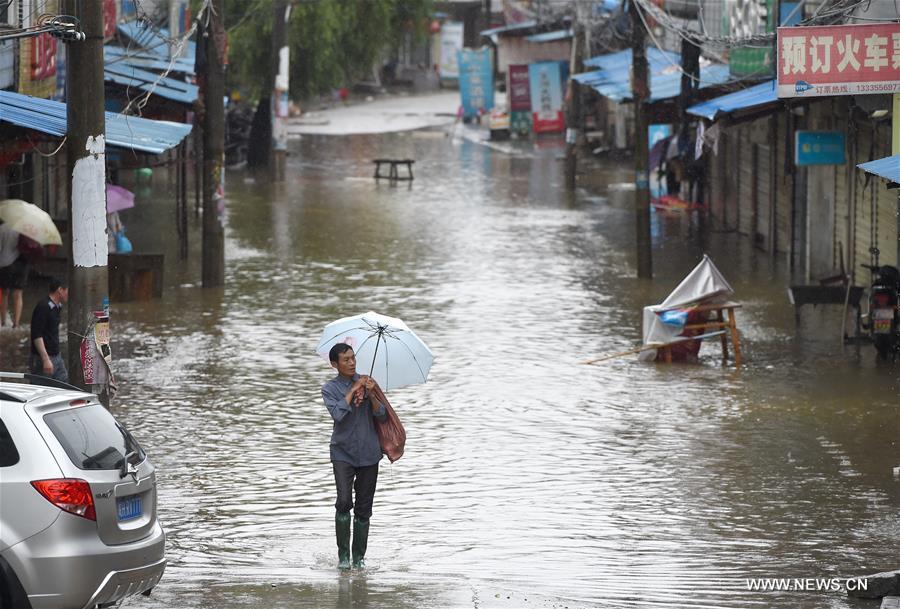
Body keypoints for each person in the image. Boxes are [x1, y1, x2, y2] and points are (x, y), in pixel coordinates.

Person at [322, 343, 387, 570]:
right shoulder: (329, 389)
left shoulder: (368, 382)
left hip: (370, 453)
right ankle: (343, 558)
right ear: (334, 364)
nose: (351, 363)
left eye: (353, 358)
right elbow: (338, 414)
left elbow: (382, 416)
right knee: (343, 502)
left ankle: (358, 559)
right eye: (346, 360)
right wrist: (353, 390)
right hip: (342, 452)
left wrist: (372, 394)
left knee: (364, 508)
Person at [29, 277, 69, 383]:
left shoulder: (58, 307)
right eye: (67, 291)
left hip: (56, 356)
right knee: (41, 391)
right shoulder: (43, 307)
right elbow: (36, 335)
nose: (68, 294)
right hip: (42, 358)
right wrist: (45, 359)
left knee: (65, 388)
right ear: (60, 290)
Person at [0, 223, 28, 328]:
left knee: (4, 294)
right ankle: (16, 324)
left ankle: (3, 323)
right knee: (18, 294)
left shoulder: (2, 229)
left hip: (4, 265)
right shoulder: (23, 229)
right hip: (21, 265)